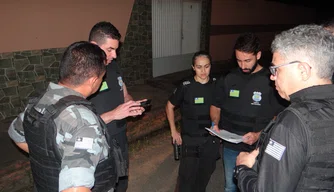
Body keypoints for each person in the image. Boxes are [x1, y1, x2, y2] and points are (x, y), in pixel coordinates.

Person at [8, 41, 119, 191]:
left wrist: (52, 159)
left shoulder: (39, 101)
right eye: (101, 77)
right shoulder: (83, 122)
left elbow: (15, 133)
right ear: (93, 80)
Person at [235, 24, 334, 191]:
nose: (272, 76)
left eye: (275, 69)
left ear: (303, 70)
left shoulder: (292, 123)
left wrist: (243, 169)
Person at [210, 33, 286, 192]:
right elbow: (216, 106)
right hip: (231, 146)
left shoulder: (270, 80)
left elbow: (279, 117)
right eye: (238, 60)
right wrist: (215, 123)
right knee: (230, 187)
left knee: (258, 187)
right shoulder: (229, 77)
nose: (242, 65)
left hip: (259, 148)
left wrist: (259, 134)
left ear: (258, 55)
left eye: (247, 60)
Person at [87, 21, 145, 192]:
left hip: (119, 136)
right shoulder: (82, 73)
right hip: (98, 140)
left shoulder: (113, 65)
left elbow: (123, 90)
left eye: (116, 50)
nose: (115, 55)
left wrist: (130, 104)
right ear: (94, 46)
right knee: (103, 186)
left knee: (121, 182)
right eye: (110, 49)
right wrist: (114, 114)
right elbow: (79, 123)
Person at [166, 51, 220, 192]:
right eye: (199, 67)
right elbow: (169, 106)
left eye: (207, 66)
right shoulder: (186, 86)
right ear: (193, 67)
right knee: (186, 178)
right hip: (190, 139)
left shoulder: (217, 84)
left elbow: (221, 108)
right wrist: (173, 131)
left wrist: (218, 126)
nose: (203, 71)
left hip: (210, 139)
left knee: (204, 176)